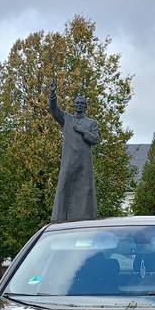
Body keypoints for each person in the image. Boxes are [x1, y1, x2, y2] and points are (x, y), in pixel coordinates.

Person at [48, 79, 99, 221]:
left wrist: (82, 130)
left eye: (82, 103)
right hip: (69, 161)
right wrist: (52, 94)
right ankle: (61, 219)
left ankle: (85, 219)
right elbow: (54, 111)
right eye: (77, 103)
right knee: (64, 189)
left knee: (85, 192)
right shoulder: (67, 119)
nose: (79, 105)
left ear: (86, 106)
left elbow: (95, 139)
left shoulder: (91, 123)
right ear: (74, 105)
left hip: (84, 163)